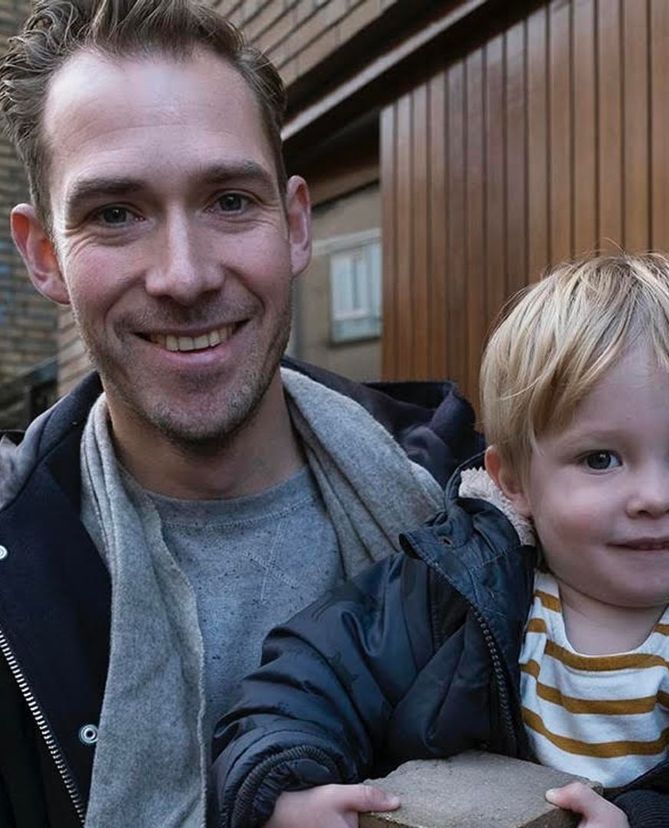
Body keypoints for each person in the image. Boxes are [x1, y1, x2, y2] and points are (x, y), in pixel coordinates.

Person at [0, 2, 479, 826]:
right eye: (116, 214)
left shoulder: (496, 509)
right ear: (44, 255)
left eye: (229, 201)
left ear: (295, 224)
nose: (184, 277)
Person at [213, 254, 669, 828]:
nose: (655, 496)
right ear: (514, 482)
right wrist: (284, 782)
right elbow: (306, 680)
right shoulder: (447, 593)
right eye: (601, 459)